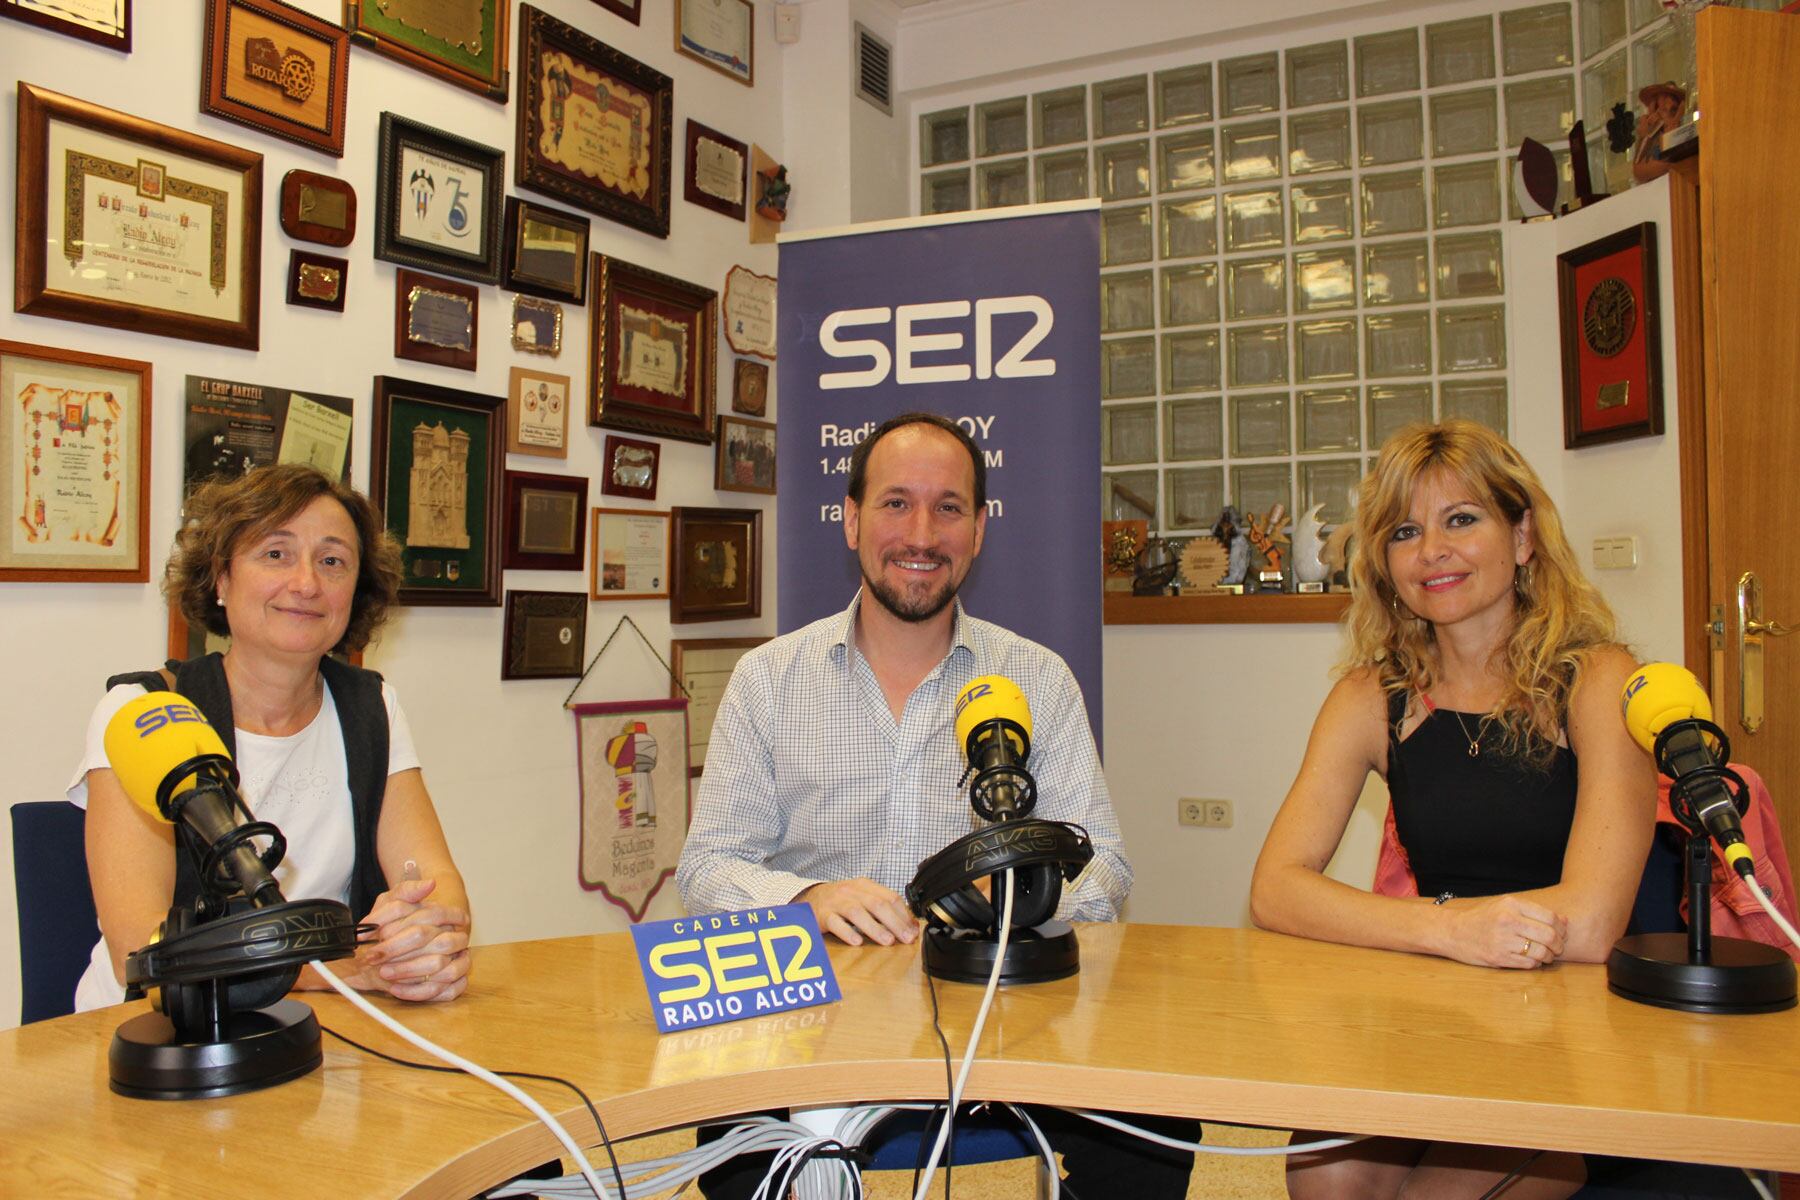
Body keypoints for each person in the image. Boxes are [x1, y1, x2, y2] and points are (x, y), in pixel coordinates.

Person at [676, 411, 1196, 1198]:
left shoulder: (1037, 679)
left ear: (979, 530)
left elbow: (1107, 867)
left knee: (1158, 1123)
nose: (922, 532)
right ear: (851, 519)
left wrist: (1023, 902)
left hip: (1005, 1021)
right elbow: (708, 867)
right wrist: (806, 900)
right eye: (895, 503)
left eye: (948, 507)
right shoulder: (768, 681)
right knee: (737, 1138)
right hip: (818, 1023)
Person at [1249, 421, 1656, 1199]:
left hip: (1570, 1029)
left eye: (1461, 519)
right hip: (1429, 1007)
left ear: (1524, 535)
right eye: (1405, 531)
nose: (1431, 549)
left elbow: (1594, 922)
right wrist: (1449, 928)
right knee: (1321, 1176)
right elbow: (1276, 887)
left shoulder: (1602, 680)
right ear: (1386, 564)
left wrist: (1458, 930)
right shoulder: (1369, 698)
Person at [70, 464, 471, 1011]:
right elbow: (143, 950)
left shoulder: (372, 707)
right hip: (155, 1033)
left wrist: (421, 941)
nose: (306, 583)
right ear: (221, 577)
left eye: (332, 561)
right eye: (276, 554)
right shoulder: (142, 713)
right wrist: (350, 969)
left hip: (316, 1022)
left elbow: (439, 886)